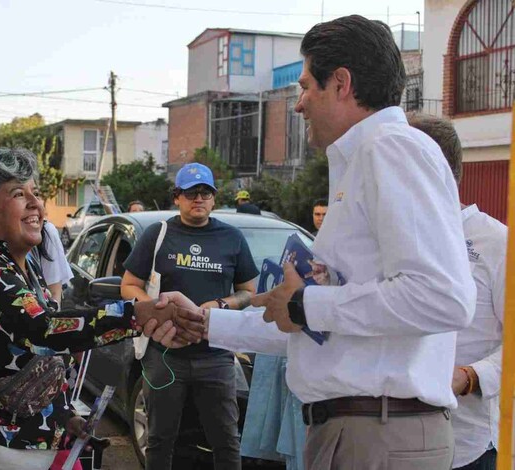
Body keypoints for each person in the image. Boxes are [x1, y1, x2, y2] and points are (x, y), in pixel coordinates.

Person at [149, 15, 476, 470]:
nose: (298, 104)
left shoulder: (392, 149)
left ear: (341, 83)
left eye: (305, 87)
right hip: (359, 431)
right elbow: (318, 329)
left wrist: (307, 304)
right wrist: (206, 325)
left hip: (379, 434)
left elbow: (444, 298)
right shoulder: (362, 160)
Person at [0, 148, 204, 470]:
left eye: (36, 192)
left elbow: (21, 360)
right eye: (19, 194)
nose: (36, 203)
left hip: (4, 443)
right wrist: (137, 314)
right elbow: (42, 328)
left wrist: (62, 417)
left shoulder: (23, 264)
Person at [121, 162, 259, 470]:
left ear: (213, 198)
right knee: (160, 439)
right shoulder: (159, 234)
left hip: (216, 355)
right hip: (165, 355)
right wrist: (152, 308)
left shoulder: (231, 238)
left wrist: (221, 305)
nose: (198, 198)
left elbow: (249, 291)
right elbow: (129, 285)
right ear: (177, 197)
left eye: (205, 193)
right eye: (191, 193)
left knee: (226, 440)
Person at [408, 113, 503, 470]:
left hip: (469, 447)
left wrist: (471, 376)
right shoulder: (391, 239)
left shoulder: (496, 242)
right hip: (398, 440)